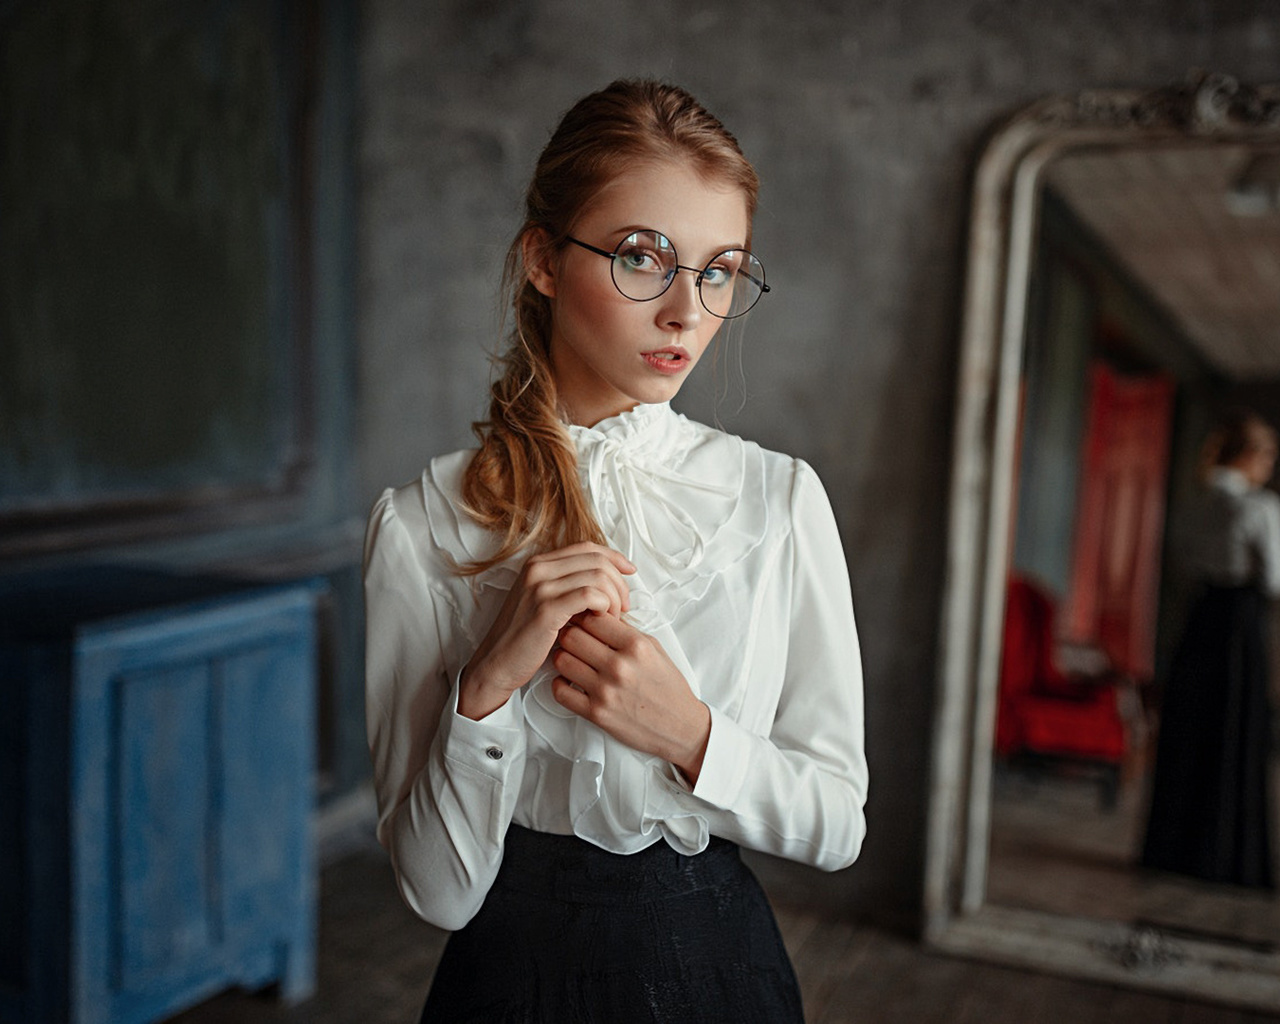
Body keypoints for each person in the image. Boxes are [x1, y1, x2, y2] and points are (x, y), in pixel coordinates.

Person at [363, 79, 867, 1022]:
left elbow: (838, 823)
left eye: (720, 270)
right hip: (507, 987)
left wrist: (690, 735)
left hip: (722, 975)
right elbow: (438, 893)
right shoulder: (421, 524)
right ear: (544, 261)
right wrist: (488, 687)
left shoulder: (780, 502)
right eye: (643, 258)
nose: (686, 310)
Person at [1141, 408, 1278, 889]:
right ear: (1252, 456)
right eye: (1268, 456)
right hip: (1240, 627)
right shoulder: (1258, 509)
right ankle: (1225, 858)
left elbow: (1180, 564)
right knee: (1234, 732)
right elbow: (1275, 579)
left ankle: (1172, 850)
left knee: (1190, 731)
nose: (1270, 467)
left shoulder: (1191, 503)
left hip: (1200, 622)